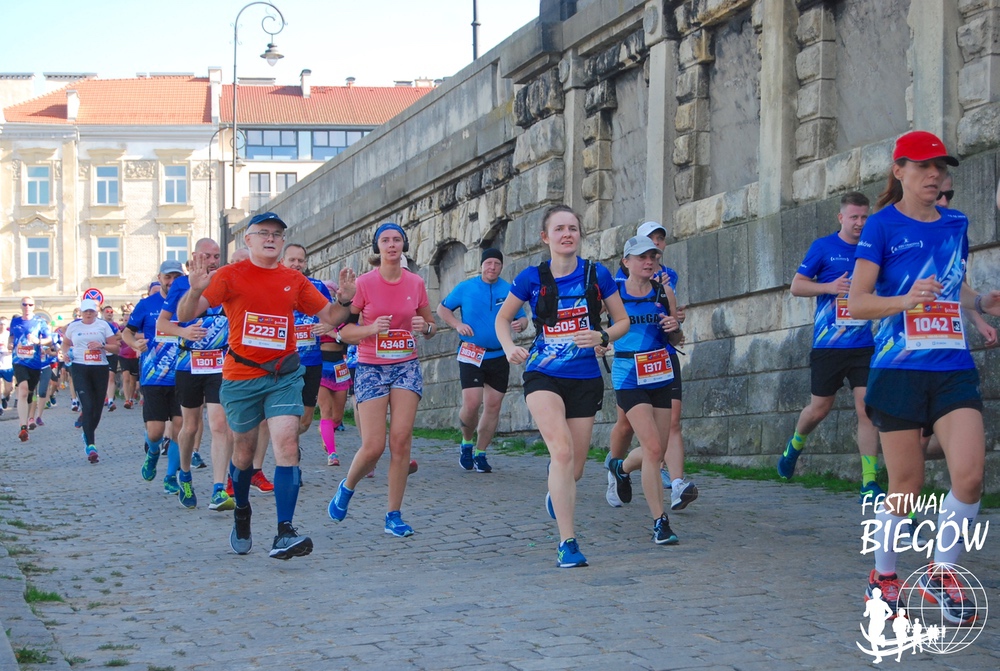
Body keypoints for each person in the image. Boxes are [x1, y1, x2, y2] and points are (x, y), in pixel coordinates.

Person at [848, 130, 1000, 624]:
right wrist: (906, 300)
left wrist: (981, 302)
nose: (934, 175)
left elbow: (954, 287)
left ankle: (941, 573)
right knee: (906, 487)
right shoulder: (881, 226)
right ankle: (884, 576)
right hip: (899, 369)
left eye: (940, 167)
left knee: (970, 477)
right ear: (900, 171)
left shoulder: (956, 223)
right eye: (923, 167)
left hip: (952, 367)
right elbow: (858, 302)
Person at [177, 212, 356, 560]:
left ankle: (284, 531)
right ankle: (242, 512)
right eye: (263, 233)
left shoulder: (293, 279)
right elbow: (186, 314)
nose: (271, 238)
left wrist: (345, 301)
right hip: (242, 376)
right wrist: (195, 288)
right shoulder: (229, 275)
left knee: (287, 443)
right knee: (243, 453)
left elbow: (331, 317)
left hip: (283, 375)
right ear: (249, 239)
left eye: (277, 234)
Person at [494, 204, 630, 568]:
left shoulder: (597, 274)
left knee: (575, 469)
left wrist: (603, 335)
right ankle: (567, 543)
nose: (567, 234)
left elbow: (622, 322)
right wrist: (508, 348)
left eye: (572, 228)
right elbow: (503, 319)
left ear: (580, 234)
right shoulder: (531, 278)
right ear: (546, 237)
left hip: (585, 377)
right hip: (543, 373)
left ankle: (558, 488)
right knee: (563, 453)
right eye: (559, 229)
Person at [328, 222, 435, 537]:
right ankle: (347, 486)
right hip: (371, 366)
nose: (391, 245)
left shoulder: (415, 283)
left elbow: (431, 325)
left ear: (403, 245)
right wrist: (371, 329)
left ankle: (393, 515)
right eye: (385, 240)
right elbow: (344, 332)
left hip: (405, 365)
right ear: (378, 247)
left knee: (400, 440)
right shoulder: (364, 283)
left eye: (396, 240)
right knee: (374, 446)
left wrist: (426, 327)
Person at [776, 192, 881, 500]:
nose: (860, 223)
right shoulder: (823, 247)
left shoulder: (873, 248)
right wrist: (829, 287)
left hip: (863, 344)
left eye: (864, 217)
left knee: (866, 409)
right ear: (841, 218)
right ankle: (795, 444)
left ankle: (869, 482)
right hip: (828, 346)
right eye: (854, 217)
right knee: (819, 409)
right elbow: (797, 286)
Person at [605, 221, 697, 511]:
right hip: (628, 372)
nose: (649, 260)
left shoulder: (664, 291)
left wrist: (674, 327)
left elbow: (676, 337)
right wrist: (599, 340)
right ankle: (656, 516)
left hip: (660, 368)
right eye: (642, 256)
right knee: (638, 436)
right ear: (626, 261)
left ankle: (622, 469)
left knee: (657, 447)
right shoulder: (613, 291)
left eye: (653, 255)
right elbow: (595, 323)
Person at [436, 248, 527, 473]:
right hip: (471, 353)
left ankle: (481, 453)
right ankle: (466, 442)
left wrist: (521, 324)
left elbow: (522, 317)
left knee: (493, 405)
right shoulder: (466, 287)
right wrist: (457, 325)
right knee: (472, 403)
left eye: (497, 264)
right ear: (481, 265)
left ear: (501, 266)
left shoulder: (509, 289)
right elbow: (442, 309)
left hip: (498, 354)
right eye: (488, 263)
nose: (492, 267)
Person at [158, 239, 232, 510]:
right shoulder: (180, 284)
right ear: (195, 256)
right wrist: (184, 331)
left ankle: (218, 488)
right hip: (188, 364)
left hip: (219, 364)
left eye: (216, 256)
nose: (212, 261)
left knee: (219, 424)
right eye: (207, 256)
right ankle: (185, 474)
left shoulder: (226, 280)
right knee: (189, 427)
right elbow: (162, 323)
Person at [124, 262, 186, 495]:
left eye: (176, 277)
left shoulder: (190, 303)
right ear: (159, 278)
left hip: (183, 375)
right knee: (156, 432)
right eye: (167, 277)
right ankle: (152, 452)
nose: (171, 282)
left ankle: (171, 476)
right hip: (154, 376)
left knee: (180, 429)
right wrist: (134, 344)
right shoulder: (147, 304)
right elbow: (127, 332)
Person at [281, 243, 333, 438]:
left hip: (312, 360)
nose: (296, 264)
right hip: (284, 360)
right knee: (285, 414)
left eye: (300, 260)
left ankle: (290, 443)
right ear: (282, 261)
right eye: (292, 260)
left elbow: (332, 315)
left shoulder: (317, 287)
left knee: (305, 420)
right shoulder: (274, 287)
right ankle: (288, 448)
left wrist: (327, 326)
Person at [61, 299, 120, 463]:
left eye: (91, 311)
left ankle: (87, 433)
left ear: (96, 312)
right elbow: (65, 344)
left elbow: (116, 347)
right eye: (85, 311)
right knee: (87, 405)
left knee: (97, 408)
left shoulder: (103, 325)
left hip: (100, 368)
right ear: (81, 312)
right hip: (80, 368)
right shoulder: (74, 327)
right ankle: (91, 446)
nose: (88, 314)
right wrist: (65, 354)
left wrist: (102, 346)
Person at [315, 280, 351, 466]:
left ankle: (326, 430)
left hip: (339, 365)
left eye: (331, 293)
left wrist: (333, 333)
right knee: (326, 411)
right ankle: (332, 453)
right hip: (321, 364)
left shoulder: (342, 314)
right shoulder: (313, 315)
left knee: (337, 416)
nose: (327, 296)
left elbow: (350, 336)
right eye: (325, 293)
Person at [8, 296, 52, 442]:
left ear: (34, 306)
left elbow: (49, 339)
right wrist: (10, 344)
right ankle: (23, 427)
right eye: (25, 304)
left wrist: (38, 341)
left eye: (30, 304)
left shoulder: (39, 322)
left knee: (29, 393)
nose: (27, 307)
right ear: (21, 306)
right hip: (18, 360)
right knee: (23, 389)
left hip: (34, 362)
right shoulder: (15, 321)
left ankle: (27, 420)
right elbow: (11, 337)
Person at [101, 304, 121, 412]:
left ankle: (110, 401)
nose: (109, 314)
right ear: (102, 313)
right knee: (102, 378)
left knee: (111, 377)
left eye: (111, 312)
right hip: (100, 354)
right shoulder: (98, 323)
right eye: (107, 312)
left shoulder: (114, 325)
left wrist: (110, 339)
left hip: (112, 353)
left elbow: (120, 335)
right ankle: (103, 397)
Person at [0, 316, 12, 416]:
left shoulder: (9, 335)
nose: (2, 326)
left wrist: (8, 351)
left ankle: (4, 397)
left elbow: (14, 348)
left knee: (9, 388)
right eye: (0, 324)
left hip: (8, 364)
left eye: (3, 324)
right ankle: (0, 407)